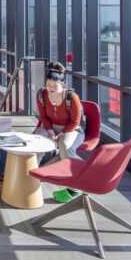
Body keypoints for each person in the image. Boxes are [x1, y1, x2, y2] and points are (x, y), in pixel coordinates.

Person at [35, 61, 85, 203]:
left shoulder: (71, 97)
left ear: (63, 85)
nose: (51, 89)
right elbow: (43, 117)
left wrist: (58, 135)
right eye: (48, 85)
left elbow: (75, 122)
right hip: (50, 127)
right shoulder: (41, 94)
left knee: (65, 146)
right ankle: (34, 173)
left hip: (71, 129)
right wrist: (51, 133)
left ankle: (74, 187)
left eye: (55, 86)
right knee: (37, 141)